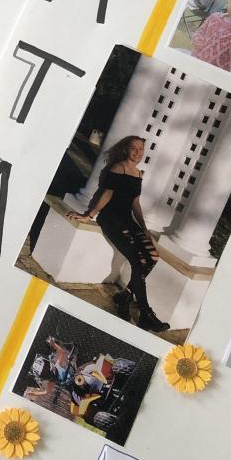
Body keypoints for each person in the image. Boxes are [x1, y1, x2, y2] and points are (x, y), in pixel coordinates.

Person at [74, 135, 168, 332]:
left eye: (141, 149)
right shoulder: (119, 168)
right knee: (139, 261)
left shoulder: (138, 173)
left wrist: (143, 228)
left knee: (153, 256)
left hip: (127, 220)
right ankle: (145, 313)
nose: (138, 153)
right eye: (134, 148)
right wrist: (89, 215)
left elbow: (135, 203)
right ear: (126, 149)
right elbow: (107, 194)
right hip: (111, 219)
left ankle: (125, 296)